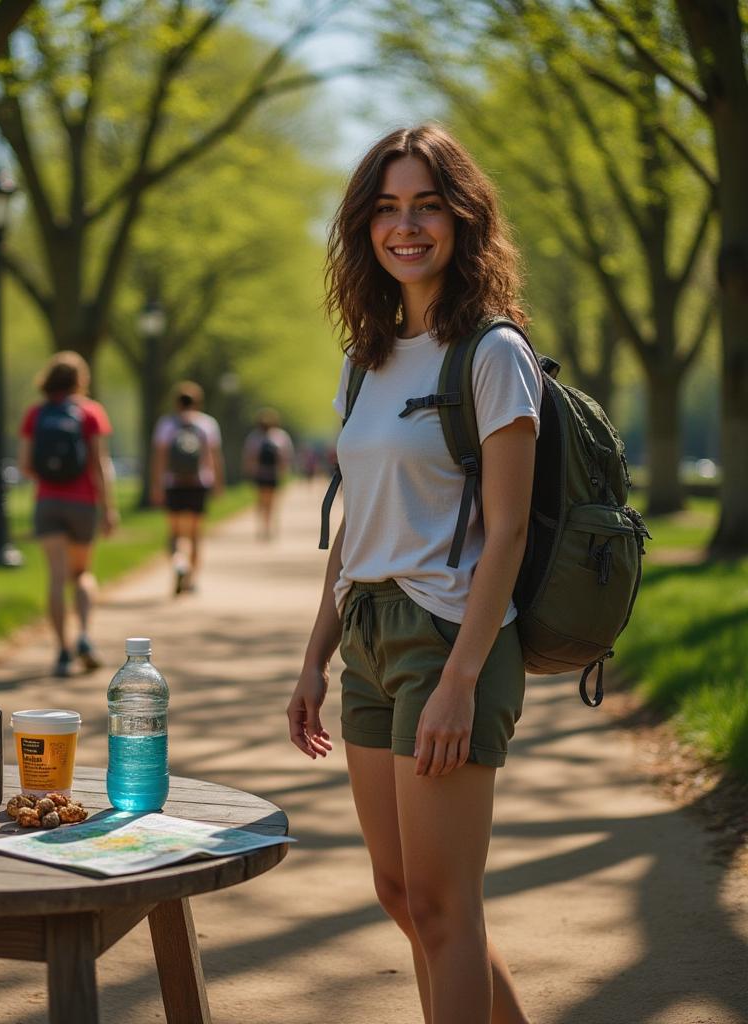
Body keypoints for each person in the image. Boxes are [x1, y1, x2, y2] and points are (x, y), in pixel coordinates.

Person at [286, 124, 540, 1024]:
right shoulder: (367, 361)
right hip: (368, 638)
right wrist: (314, 659)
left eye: (427, 206)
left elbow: (506, 532)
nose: (407, 226)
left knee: (442, 906)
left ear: (463, 220)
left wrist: (461, 681)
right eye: (387, 208)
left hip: (449, 641)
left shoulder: (494, 354)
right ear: (364, 227)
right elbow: (355, 523)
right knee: (401, 894)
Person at [19, 351, 119, 677]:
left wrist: (51, 479)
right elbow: (100, 464)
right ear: (81, 380)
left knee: (56, 577)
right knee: (82, 573)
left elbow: (25, 464)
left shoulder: (36, 414)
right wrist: (109, 508)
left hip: (47, 502)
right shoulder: (90, 413)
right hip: (83, 503)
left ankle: (62, 651)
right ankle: (85, 636)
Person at [150, 381, 224, 594]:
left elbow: (160, 458)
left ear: (176, 402)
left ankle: (178, 563)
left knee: (174, 534)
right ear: (198, 402)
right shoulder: (207, 424)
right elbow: (213, 457)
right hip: (198, 484)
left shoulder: (166, 424)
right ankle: (191, 578)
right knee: (195, 535)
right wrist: (218, 483)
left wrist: (157, 485)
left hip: (174, 485)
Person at [242, 408, 294, 541]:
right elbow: (286, 457)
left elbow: (249, 456)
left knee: (261, 502)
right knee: (272, 502)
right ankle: (269, 527)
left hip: (260, 474)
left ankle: (263, 527)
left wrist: (249, 472)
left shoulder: (254, 437)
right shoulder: (281, 436)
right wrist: (284, 472)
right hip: (274, 474)